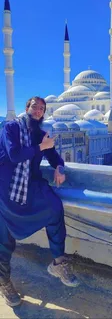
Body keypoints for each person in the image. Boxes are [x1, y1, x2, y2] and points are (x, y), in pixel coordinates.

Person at [0, 96, 79, 307]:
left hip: (29, 189)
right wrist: (40, 147)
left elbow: (54, 156)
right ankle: (4, 282)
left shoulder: (40, 135)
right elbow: (15, 154)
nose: (38, 111)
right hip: (5, 191)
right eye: (35, 107)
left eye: (42, 109)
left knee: (54, 207)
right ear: (27, 108)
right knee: (4, 241)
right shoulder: (10, 128)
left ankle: (58, 262)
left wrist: (59, 168)